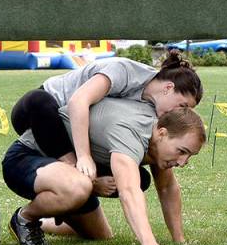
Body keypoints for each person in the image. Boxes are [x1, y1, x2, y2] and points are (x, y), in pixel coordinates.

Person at [3, 100, 206, 245]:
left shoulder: (158, 142)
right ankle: (25, 218)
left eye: (189, 156)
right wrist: (149, 243)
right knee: (79, 187)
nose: (182, 162)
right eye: (182, 151)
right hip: (25, 157)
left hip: (69, 170)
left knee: (100, 235)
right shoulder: (130, 134)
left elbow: (167, 188)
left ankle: (46, 218)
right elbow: (129, 190)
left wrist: (179, 240)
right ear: (162, 133)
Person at [11, 50, 203, 181]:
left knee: (140, 179)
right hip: (41, 114)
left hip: (72, 134)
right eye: (182, 105)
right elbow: (79, 101)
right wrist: (83, 157)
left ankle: (79, 190)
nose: (179, 113)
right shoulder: (124, 71)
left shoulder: (153, 109)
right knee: (40, 101)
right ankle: (73, 168)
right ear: (169, 88)